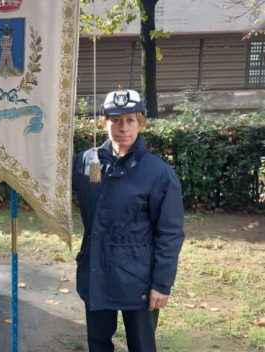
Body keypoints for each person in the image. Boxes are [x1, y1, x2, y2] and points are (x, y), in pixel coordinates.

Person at [72, 89, 185, 352]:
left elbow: (170, 233)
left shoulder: (158, 174)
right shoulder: (86, 162)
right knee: (98, 344)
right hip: (95, 271)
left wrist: (161, 283)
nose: (123, 127)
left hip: (138, 277)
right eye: (116, 120)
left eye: (130, 120)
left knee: (141, 346)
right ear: (104, 123)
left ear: (141, 124)